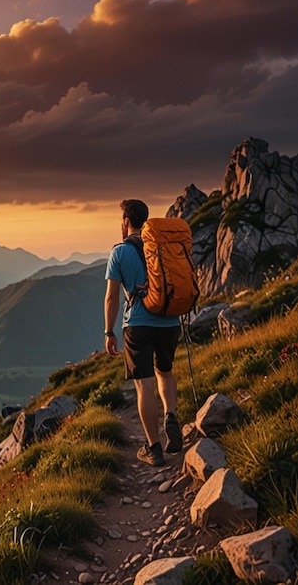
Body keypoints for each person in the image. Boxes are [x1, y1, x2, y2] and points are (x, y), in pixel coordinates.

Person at [103, 199, 183, 466]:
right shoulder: (161, 245)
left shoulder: (119, 252)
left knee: (143, 386)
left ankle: (154, 448)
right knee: (165, 372)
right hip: (170, 321)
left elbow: (112, 298)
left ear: (126, 221)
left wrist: (108, 332)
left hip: (138, 324)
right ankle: (170, 415)